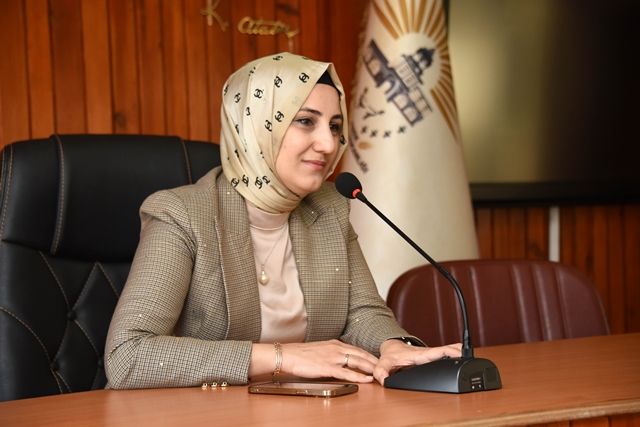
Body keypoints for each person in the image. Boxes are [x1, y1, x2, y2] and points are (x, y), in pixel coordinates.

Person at [104, 52, 461, 389]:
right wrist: (283, 357)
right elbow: (128, 355)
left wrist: (391, 345)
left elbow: (361, 312)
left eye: (335, 126)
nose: (328, 144)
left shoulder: (330, 207)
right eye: (306, 121)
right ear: (254, 127)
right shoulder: (181, 214)